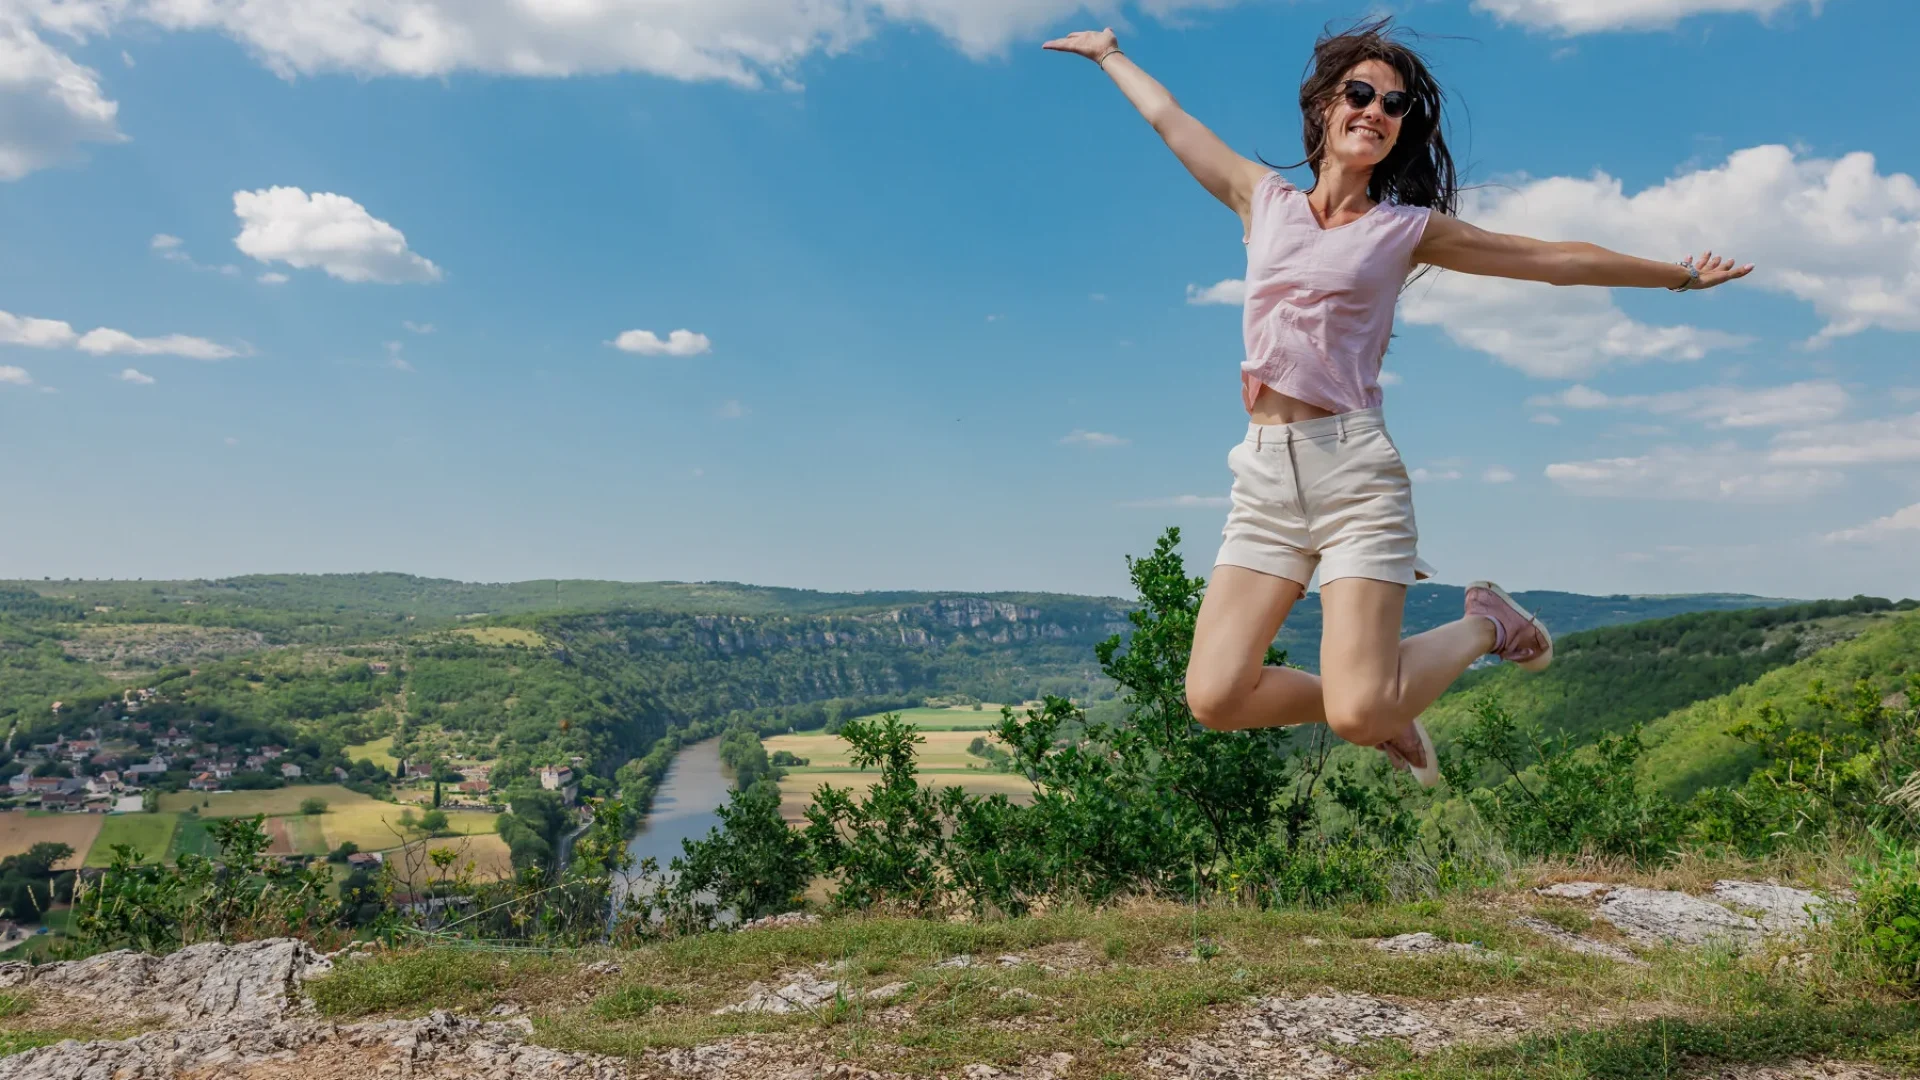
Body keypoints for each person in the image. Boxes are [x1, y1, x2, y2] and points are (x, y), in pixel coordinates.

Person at [1043, 18, 1752, 785]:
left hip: (1353, 477)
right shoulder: (1264, 199)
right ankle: (1385, 703)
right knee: (1214, 696)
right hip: (1264, 479)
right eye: (1360, 93)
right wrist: (1110, 55)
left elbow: (1550, 260)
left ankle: (1487, 625)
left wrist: (1678, 275)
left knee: (1357, 717)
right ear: (1323, 106)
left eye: (1394, 104)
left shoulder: (1405, 231)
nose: (1376, 111)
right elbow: (1170, 119)